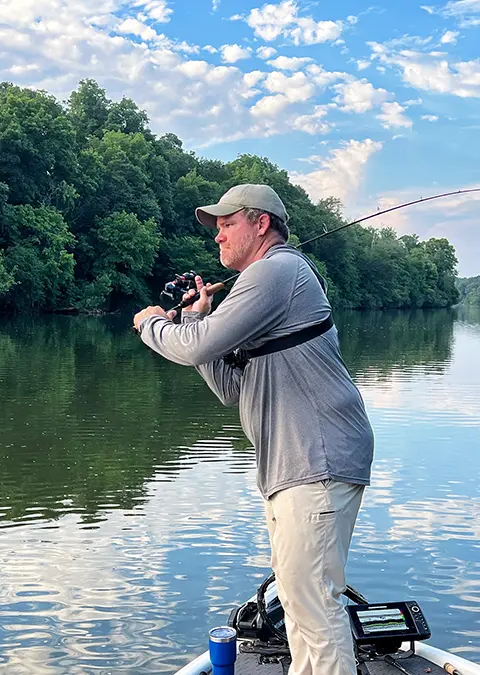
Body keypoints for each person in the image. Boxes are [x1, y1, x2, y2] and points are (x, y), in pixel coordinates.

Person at [132, 183, 375, 675]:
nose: (217, 237)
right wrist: (202, 321)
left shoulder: (276, 270)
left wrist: (154, 323)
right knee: (298, 598)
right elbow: (231, 387)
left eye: (226, 224)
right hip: (295, 462)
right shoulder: (265, 282)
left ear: (260, 223)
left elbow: (194, 346)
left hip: (316, 458)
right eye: (216, 228)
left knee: (314, 603)